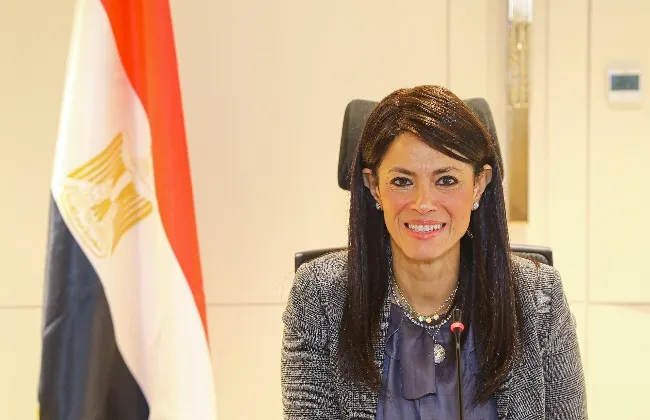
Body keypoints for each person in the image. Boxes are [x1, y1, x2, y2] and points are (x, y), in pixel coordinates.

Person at [281, 85, 587, 419]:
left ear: (479, 185)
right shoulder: (320, 296)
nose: (423, 204)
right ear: (374, 187)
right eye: (402, 181)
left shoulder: (540, 298)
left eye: (446, 180)